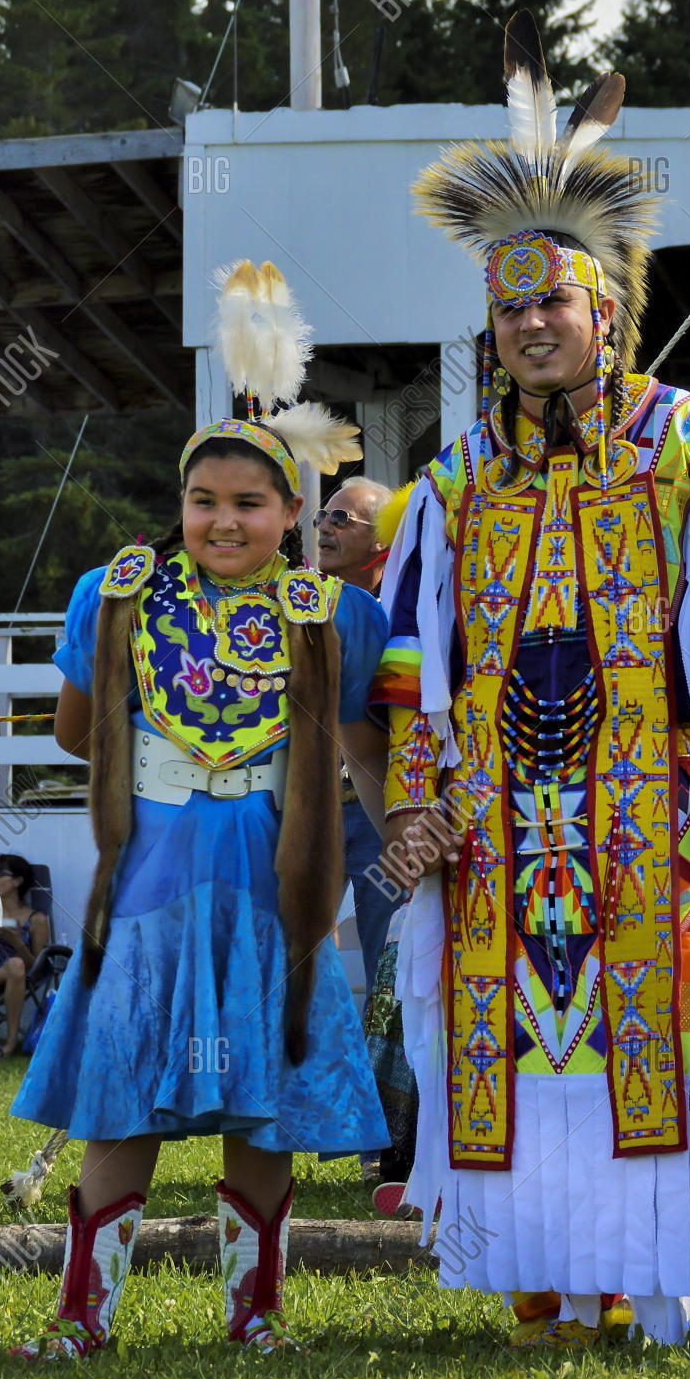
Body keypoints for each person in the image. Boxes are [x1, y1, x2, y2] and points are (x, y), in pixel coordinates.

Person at [373, 13, 690, 1349]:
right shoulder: (456, 484)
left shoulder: (689, 447)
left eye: (554, 302)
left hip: (660, 802)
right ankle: (554, 1285)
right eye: (509, 306)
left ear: (608, 310)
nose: (530, 323)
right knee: (525, 1055)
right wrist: (415, 806)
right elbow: (412, 669)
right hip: (500, 821)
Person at [9, 260, 391, 1360]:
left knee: (260, 1102)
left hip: (279, 881)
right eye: (203, 501)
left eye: (250, 504)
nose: (223, 522)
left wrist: (404, 832)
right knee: (121, 1099)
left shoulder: (338, 615)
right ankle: (83, 1318)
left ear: (293, 512)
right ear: (178, 503)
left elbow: (363, 747)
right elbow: (77, 735)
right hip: (152, 880)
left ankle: (256, 1315)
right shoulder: (115, 593)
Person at [315, 473, 411, 1193]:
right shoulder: (293, 609)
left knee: (391, 971)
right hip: (310, 810)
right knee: (298, 967)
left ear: (382, 542)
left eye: (344, 518)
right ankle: (312, 1121)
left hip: (381, 813)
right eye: (322, 514)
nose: (327, 525)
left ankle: (391, 1138)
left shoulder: (401, 615)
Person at [0, 853, 51, 1058]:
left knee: (17, 965)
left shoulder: (36, 919)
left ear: (18, 881)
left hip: (7, 973)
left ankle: (9, 1045)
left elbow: (36, 970)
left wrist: (17, 942)